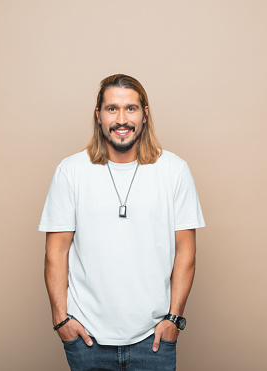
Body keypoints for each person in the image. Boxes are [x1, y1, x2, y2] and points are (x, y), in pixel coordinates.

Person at [38, 74, 205, 370]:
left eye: (131, 108)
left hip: (154, 339)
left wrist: (174, 320)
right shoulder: (71, 171)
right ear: (98, 116)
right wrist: (60, 319)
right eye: (112, 109)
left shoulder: (174, 171)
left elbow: (185, 252)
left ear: (145, 115)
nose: (121, 119)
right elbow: (56, 252)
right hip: (87, 338)